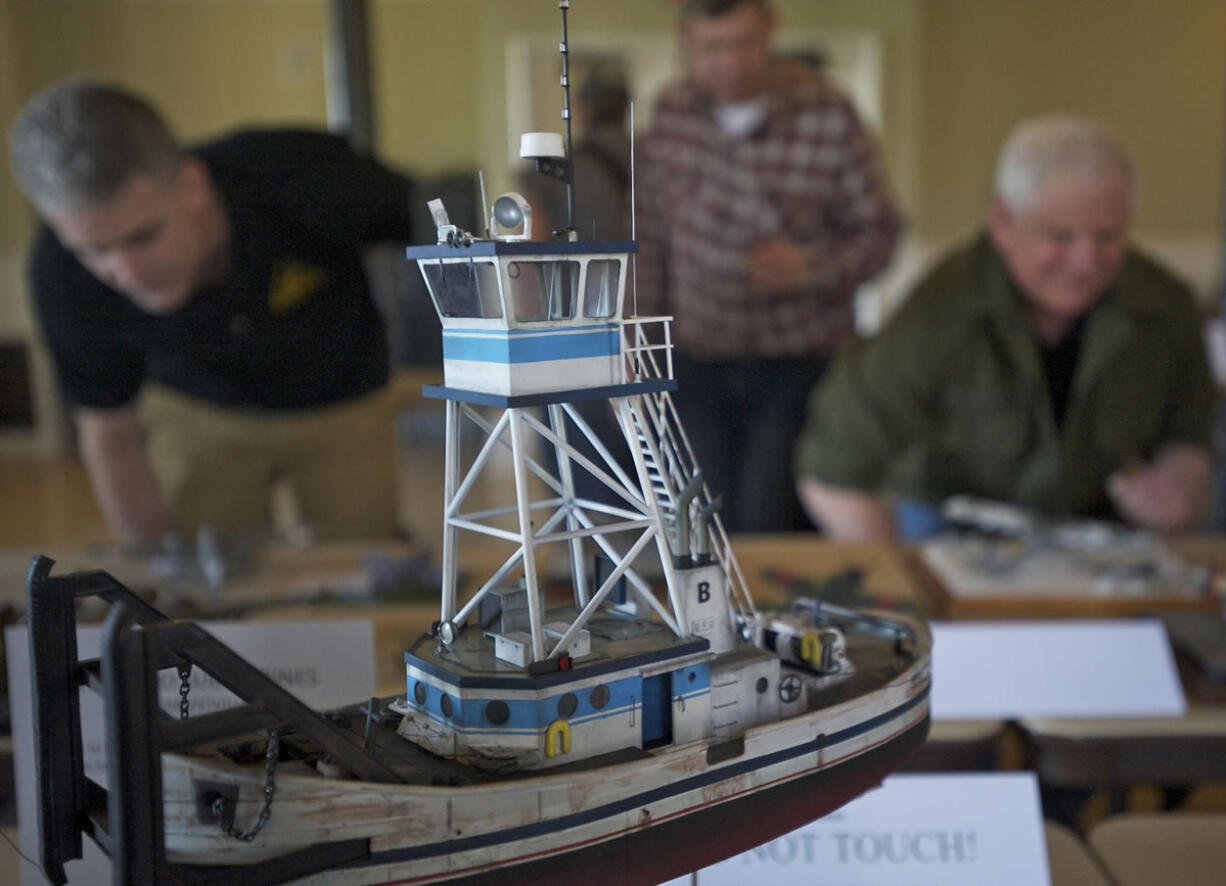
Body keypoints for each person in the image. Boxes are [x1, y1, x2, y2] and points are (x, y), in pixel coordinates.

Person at [9, 78, 417, 546]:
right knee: (203, 581)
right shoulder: (60, 271)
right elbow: (110, 433)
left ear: (192, 185)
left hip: (344, 397)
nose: (126, 272)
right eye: (93, 250)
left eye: (143, 236)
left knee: (363, 568)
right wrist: (154, 578)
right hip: (195, 410)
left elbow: (441, 224)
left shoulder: (302, 173)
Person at [795, 114, 1215, 540]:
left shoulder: (1166, 307)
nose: (1086, 262)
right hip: (950, 524)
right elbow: (832, 474)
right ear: (1002, 221)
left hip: (1097, 535)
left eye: (1107, 237)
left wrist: (1176, 490)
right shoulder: (939, 312)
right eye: (1061, 236)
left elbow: (1189, 439)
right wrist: (900, 586)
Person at [635, 0, 902, 533]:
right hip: (695, 363)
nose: (731, 63)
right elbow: (649, 240)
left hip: (797, 366)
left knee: (769, 520)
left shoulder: (827, 110)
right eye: (713, 47)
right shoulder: (670, 114)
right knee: (696, 524)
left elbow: (880, 234)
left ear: (771, 32)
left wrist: (810, 267)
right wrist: (637, 343)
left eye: (745, 44)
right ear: (686, 40)